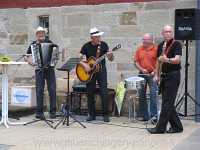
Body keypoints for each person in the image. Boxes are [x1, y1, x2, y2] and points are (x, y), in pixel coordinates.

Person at [148, 25, 183, 134]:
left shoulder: (176, 44)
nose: (168, 33)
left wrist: (166, 59)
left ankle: (160, 128)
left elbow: (177, 60)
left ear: (172, 33)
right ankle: (177, 127)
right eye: (166, 32)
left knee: (167, 103)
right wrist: (157, 75)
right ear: (162, 33)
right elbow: (158, 61)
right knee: (168, 102)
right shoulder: (160, 45)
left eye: (169, 31)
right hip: (164, 76)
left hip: (174, 75)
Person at [79, 27, 114, 122]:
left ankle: (105, 115)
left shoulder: (104, 45)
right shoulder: (86, 46)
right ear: (92, 38)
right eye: (97, 37)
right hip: (90, 73)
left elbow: (111, 59)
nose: (99, 38)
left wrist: (110, 55)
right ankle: (91, 114)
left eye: (99, 36)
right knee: (90, 92)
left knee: (104, 92)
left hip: (101, 71)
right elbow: (79, 59)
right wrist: (85, 65)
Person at [25, 26, 57, 119]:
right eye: (39, 33)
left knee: (52, 89)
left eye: (42, 33)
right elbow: (27, 57)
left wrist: (54, 60)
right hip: (39, 69)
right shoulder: (33, 45)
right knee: (39, 90)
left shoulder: (50, 43)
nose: (41, 34)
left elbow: (55, 54)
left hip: (49, 69)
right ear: (36, 35)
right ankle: (39, 112)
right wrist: (32, 63)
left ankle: (53, 112)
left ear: (44, 34)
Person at [133, 33, 158, 121]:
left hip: (152, 74)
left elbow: (159, 62)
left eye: (145, 40)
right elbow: (135, 62)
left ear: (151, 40)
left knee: (153, 94)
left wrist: (155, 71)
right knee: (141, 95)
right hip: (142, 74)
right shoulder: (139, 49)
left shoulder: (156, 49)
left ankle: (153, 116)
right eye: (143, 39)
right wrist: (142, 69)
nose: (143, 42)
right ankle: (144, 116)